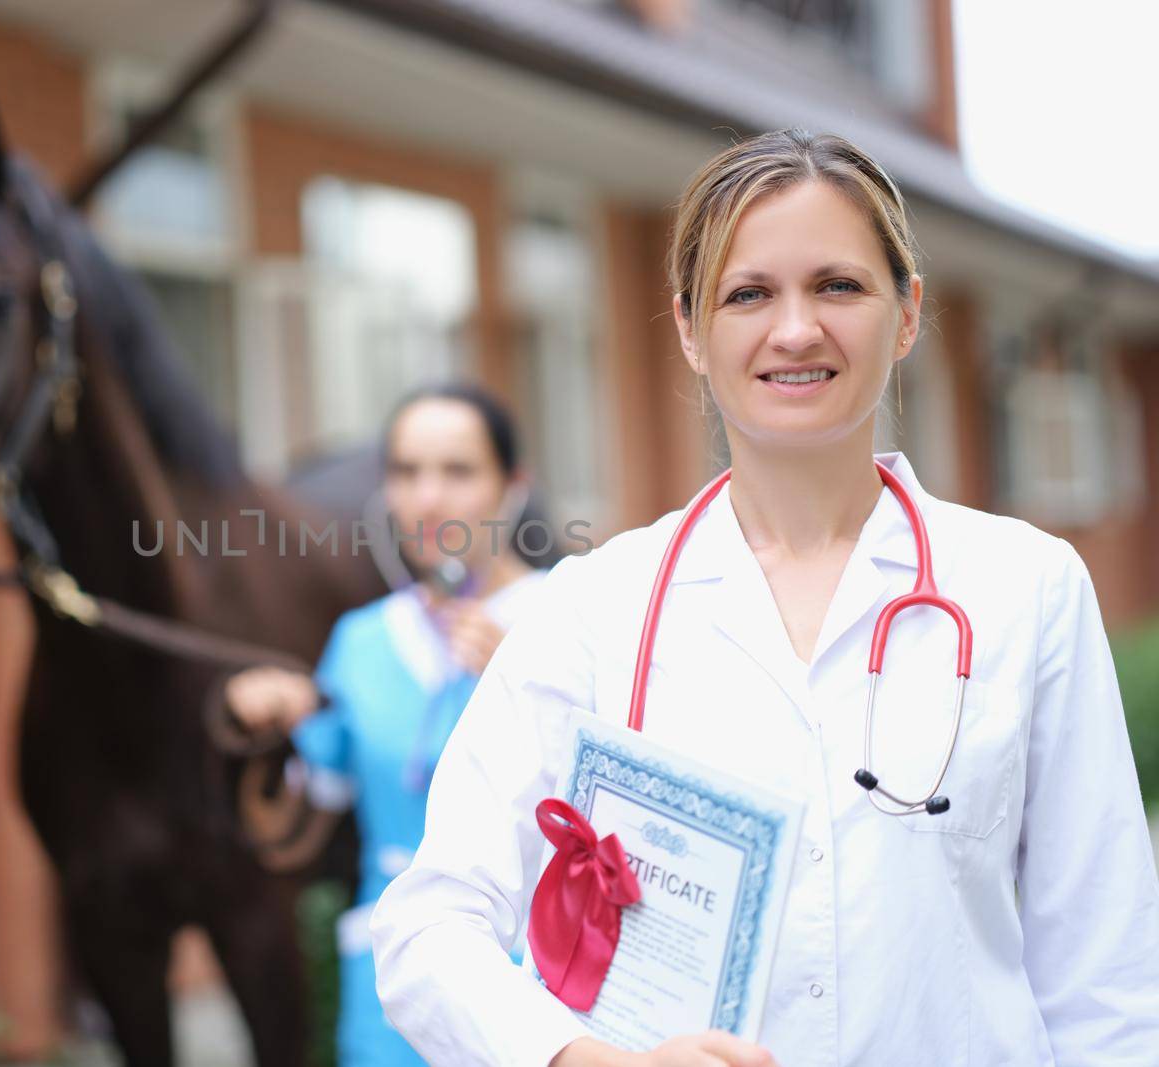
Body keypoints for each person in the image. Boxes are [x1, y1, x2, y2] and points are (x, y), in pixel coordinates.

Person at [368, 129, 1159, 1067]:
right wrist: (582, 1059)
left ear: (906, 314)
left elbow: (1106, 979)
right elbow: (428, 924)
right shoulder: (593, 608)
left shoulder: (1026, 587)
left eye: (838, 285)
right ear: (692, 332)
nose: (795, 330)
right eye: (748, 294)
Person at [226, 383, 548, 1066]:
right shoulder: (363, 640)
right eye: (406, 472)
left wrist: (523, 678)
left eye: (457, 471)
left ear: (513, 485)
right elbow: (307, 807)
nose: (427, 498)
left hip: (541, 989)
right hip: (390, 996)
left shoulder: (570, 619)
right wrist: (276, 723)